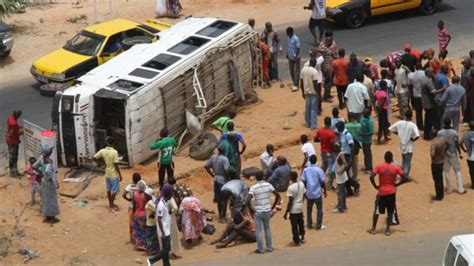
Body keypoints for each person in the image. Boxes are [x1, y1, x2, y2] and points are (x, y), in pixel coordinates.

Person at [369, 151, 407, 236]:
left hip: (381, 192)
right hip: (392, 192)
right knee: (390, 211)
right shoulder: (395, 168)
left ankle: (373, 229)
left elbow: (371, 176)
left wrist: (375, 186)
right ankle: (387, 230)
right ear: (391, 159)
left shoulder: (379, 166)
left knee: (377, 211)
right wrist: (397, 184)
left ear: (385, 158)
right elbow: (405, 178)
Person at [248, 171, 280, 254]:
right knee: (267, 228)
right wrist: (273, 206)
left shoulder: (253, 187)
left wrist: (251, 209)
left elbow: (247, 200)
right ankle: (269, 247)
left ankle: (261, 249)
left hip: (258, 211)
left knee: (258, 230)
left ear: (255, 178)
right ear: (263, 177)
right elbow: (278, 195)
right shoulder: (268, 185)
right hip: (267, 210)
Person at [93, 136, 123, 211]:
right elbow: (116, 164)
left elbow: (93, 158)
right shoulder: (114, 152)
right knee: (114, 190)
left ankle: (110, 203)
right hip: (113, 174)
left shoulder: (102, 151)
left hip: (107, 173)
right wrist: (120, 174)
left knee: (109, 190)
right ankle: (112, 205)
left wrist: (101, 164)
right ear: (113, 143)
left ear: (106, 143)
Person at [437, 118, 465, 194]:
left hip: (444, 155)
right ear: (450, 123)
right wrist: (459, 153)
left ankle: (449, 189)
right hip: (453, 154)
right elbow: (457, 144)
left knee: (446, 171)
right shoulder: (454, 133)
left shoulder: (440, 133)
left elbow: (439, 143)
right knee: (457, 171)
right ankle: (460, 189)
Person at [147, 184, 173, 266]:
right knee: (166, 249)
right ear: (168, 194)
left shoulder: (164, 202)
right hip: (164, 231)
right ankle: (152, 260)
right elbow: (159, 219)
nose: (172, 195)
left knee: (167, 248)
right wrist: (163, 233)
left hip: (166, 229)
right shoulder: (161, 205)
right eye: (171, 193)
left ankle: (166, 264)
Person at [389, 110, 420, 177]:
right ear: (411, 117)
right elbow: (417, 136)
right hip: (409, 147)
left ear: (405, 115)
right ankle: (405, 176)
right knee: (408, 162)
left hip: (402, 146)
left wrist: (398, 134)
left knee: (404, 160)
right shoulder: (413, 125)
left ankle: (402, 173)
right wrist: (412, 139)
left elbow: (390, 129)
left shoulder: (399, 123)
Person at [33, 145, 60, 223]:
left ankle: (48, 215)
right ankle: (51, 215)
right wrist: (55, 183)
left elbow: (34, 166)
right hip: (49, 182)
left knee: (46, 199)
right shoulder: (48, 161)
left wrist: (41, 172)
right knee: (51, 199)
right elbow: (50, 174)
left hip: (44, 182)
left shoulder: (42, 159)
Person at [205, 146, 230, 221]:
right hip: (223, 180)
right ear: (224, 150)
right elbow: (226, 170)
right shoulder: (224, 159)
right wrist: (228, 178)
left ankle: (220, 215)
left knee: (219, 199)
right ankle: (223, 217)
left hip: (216, 180)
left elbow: (206, 166)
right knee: (224, 199)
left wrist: (212, 175)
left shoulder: (213, 157)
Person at [301, 155, 326, 230]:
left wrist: (305, 190)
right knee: (319, 210)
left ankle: (309, 224)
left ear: (309, 161)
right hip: (317, 193)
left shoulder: (306, 170)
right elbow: (322, 182)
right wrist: (325, 190)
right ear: (316, 161)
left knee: (309, 210)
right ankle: (318, 225)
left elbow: (303, 180)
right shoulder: (319, 170)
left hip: (309, 193)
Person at [335, 121, 360, 196]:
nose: (338, 129)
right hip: (343, 156)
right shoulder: (342, 134)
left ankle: (356, 185)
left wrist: (350, 159)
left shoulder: (347, 134)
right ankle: (349, 191)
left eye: (338, 128)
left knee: (345, 175)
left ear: (342, 127)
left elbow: (351, 147)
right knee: (345, 175)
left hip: (347, 156)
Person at [283, 171, 306, 245]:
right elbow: (304, 194)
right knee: (301, 223)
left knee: (294, 226)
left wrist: (286, 212)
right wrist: (301, 201)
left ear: (291, 178)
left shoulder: (290, 188)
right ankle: (302, 237)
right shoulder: (301, 184)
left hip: (293, 209)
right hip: (300, 207)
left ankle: (297, 240)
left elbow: (290, 201)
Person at [314, 117, 337, 188]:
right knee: (330, 169)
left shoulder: (320, 130)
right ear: (330, 123)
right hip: (330, 152)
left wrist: (321, 140)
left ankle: (318, 180)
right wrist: (335, 150)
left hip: (323, 151)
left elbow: (315, 139)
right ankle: (328, 184)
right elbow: (332, 144)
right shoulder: (331, 133)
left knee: (323, 167)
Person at [300, 58, 320, 129]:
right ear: (314, 63)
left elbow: (301, 82)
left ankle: (307, 123)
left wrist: (302, 92)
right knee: (313, 108)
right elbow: (315, 83)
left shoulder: (303, 70)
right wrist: (319, 93)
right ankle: (313, 125)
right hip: (313, 92)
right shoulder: (314, 71)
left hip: (306, 91)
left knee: (307, 107)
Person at [123, 173, 142, 243]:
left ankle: (133, 239)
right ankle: (140, 238)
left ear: (132, 179)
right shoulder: (141, 186)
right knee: (140, 223)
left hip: (132, 207)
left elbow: (123, 194)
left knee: (132, 223)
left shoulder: (129, 186)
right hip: (140, 207)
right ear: (140, 179)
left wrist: (128, 199)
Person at [421, 68, 441, 139]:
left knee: (427, 119)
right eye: (432, 73)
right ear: (429, 73)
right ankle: (435, 134)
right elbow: (433, 92)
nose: (433, 74)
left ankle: (427, 135)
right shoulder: (428, 81)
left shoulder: (423, 79)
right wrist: (442, 89)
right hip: (430, 104)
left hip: (425, 103)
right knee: (434, 119)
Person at [130, 180, 149, 251]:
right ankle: (144, 245)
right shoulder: (145, 195)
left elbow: (134, 206)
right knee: (144, 230)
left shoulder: (134, 195)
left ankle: (138, 244)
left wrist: (133, 214)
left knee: (137, 230)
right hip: (144, 214)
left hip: (137, 214)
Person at [319, 31, 337, 102]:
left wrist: (335, 56)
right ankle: (326, 97)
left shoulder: (333, 43)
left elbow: (335, 53)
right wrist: (323, 68)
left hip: (332, 66)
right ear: (326, 37)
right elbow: (320, 58)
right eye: (330, 37)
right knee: (327, 82)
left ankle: (328, 93)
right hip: (326, 67)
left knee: (330, 82)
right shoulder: (322, 46)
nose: (332, 38)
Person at [5, 109, 23, 177]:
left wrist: (21, 127)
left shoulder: (10, 118)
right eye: (19, 115)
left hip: (9, 139)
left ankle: (13, 171)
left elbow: (15, 127)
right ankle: (13, 172)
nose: (19, 116)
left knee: (12, 156)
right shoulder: (14, 123)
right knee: (14, 157)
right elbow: (17, 133)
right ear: (16, 115)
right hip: (13, 141)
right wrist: (24, 131)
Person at [331, 144, 348, 213]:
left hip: (340, 178)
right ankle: (343, 205)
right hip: (342, 177)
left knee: (340, 193)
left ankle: (340, 208)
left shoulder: (340, 155)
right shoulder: (340, 154)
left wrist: (340, 171)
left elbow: (346, 164)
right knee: (343, 192)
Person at [408, 62, 425, 130]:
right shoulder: (424, 73)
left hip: (416, 95)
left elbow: (410, 86)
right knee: (427, 110)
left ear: (415, 67)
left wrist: (411, 95)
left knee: (418, 112)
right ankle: (427, 124)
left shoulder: (411, 75)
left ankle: (419, 125)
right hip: (424, 95)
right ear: (421, 66)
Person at [166, 189, 182, 259]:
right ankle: (172, 253)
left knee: (167, 237)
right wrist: (172, 211)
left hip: (164, 220)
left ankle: (169, 253)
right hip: (171, 219)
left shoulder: (161, 198)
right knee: (173, 236)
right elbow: (175, 208)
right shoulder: (171, 199)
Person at [430, 136, 447, 201]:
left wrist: (433, 158)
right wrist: (444, 151)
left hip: (435, 163)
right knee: (440, 178)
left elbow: (432, 154)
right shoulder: (442, 139)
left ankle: (439, 196)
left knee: (436, 180)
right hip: (441, 162)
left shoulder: (434, 143)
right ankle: (441, 194)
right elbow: (448, 144)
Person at [144, 188, 159, 255]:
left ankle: (150, 251)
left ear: (148, 195)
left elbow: (156, 209)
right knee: (153, 237)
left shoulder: (150, 202)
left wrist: (152, 213)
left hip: (150, 223)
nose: (144, 196)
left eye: (145, 194)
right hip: (153, 222)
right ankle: (155, 250)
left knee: (149, 237)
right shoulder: (152, 201)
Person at [360, 108, 374, 172]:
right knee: (365, 153)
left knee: (368, 154)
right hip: (363, 140)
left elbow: (371, 132)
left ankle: (369, 167)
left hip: (367, 140)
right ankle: (366, 165)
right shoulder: (362, 118)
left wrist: (363, 134)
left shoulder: (370, 122)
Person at [286, 27, 301, 92]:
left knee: (296, 71)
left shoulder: (296, 39)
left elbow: (298, 48)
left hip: (296, 58)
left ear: (290, 32)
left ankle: (296, 85)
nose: (286, 33)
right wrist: (287, 54)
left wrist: (296, 56)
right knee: (291, 70)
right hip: (290, 57)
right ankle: (294, 82)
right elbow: (289, 47)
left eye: (287, 32)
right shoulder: (288, 38)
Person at [460, 121, 474, 190]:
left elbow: (460, 143)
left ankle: (473, 185)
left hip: (470, 157)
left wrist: (464, 150)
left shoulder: (465, 135)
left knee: (471, 171)